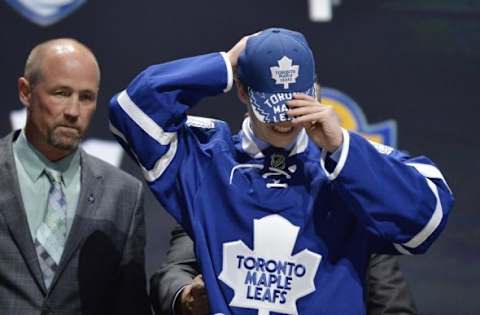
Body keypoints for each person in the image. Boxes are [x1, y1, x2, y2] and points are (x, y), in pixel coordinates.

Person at [109, 28, 453, 314]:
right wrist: (225, 65)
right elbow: (131, 112)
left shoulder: (346, 167)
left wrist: (342, 148)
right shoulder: (206, 160)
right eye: (272, 105)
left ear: (315, 90)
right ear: (243, 91)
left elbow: (429, 217)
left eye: (294, 103)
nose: (285, 120)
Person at [0, 38, 151, 314]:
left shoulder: (124, 195)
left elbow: (130, 305)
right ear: (25, 91)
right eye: (60, 93)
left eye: (86, 97)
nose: (73, 111)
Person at [150, 225, 418, 315]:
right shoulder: (216, 187)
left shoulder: (352, 214)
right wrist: (185, 296)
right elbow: (172, 273)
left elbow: (392, 308)